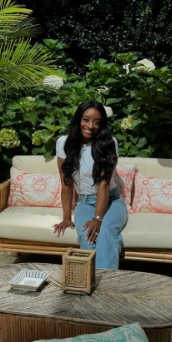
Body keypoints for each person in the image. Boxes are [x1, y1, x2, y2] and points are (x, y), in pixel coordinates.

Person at [53, 101, 127, 269]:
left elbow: (104, 185)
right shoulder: (63, 143)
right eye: (86, 119)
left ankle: (105, 285)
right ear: (79, 118)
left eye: (97, 122)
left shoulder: (109, 143)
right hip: (84, 203)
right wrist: (66, 218)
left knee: (106, 233)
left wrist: (97, 219)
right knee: (87, 235)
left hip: (112, 202)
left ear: (102, 125)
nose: (90, 126)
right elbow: (66, 184)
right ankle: (89, 282)